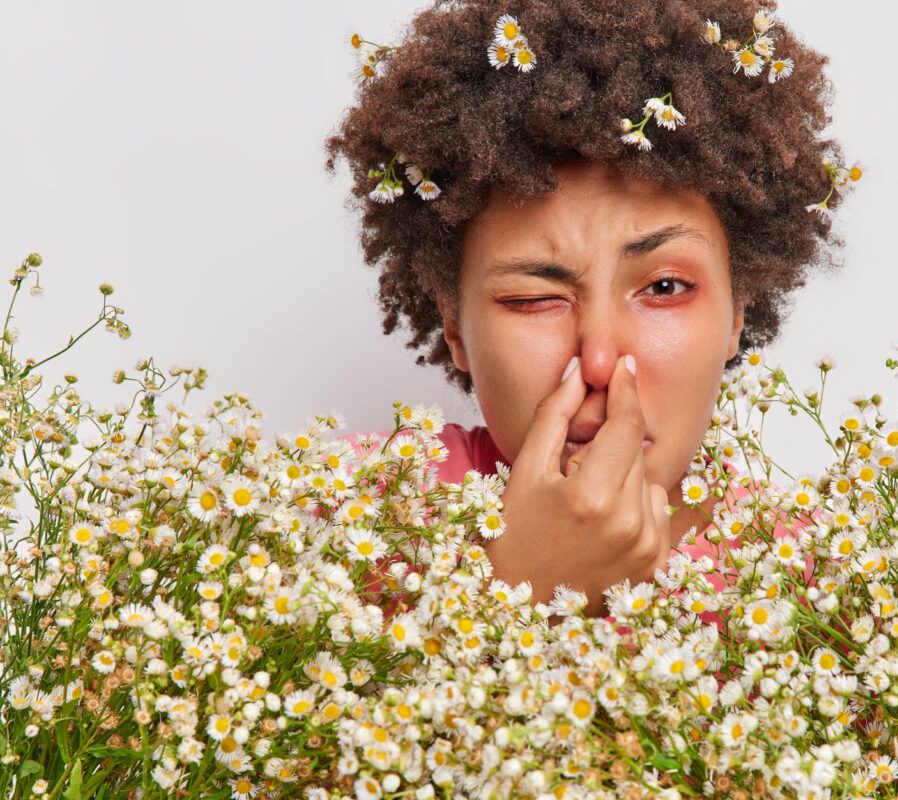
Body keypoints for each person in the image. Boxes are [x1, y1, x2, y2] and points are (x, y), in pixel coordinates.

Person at [324, 0, 850, 618]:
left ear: (738, 311)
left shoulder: (830, 584)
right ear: (454, 325)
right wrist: (526, 588)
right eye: (534, 299)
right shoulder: (336, 509)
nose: (599, 362)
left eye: (664, 289)